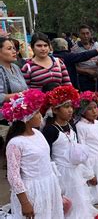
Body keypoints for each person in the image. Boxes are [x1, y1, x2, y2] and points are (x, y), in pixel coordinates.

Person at [41, 85, 98, 219]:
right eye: (66, 107)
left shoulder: (71, 125)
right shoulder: (50, 130)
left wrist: (88, 173)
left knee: (79, 196)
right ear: (55, 110)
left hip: (75, 170)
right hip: (61, 172)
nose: (70, 110)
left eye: (71, 106)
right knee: (66, 201)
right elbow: (47, 156)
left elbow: (78, 147)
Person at [4, 89, 64, 219]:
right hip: (31, 191)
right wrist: (25, 203)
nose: (40, 116)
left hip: (48, 185)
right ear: (26, 118)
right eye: (36, 113)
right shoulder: (15, 143)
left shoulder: (38, 134)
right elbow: (13, 176)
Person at [74, 91, 98, 205]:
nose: (94, 111)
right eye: (90, 109)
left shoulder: (97, 123)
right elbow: (82, 149)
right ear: (82, 111)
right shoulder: (80, 126)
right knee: (93, 187)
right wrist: (89, 173)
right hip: (92, 161)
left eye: (95, 107)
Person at [0, 37, 28, 138]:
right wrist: (19, 95)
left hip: (20, 116)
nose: (14, 51)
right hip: (5, 121)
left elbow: (25, 87)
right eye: (9, 48)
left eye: (14, 48)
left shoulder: (15, 67)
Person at [71, 25, 98, 94]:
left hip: (96, 78)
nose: (86, 36)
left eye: (87, 33)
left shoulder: (96, 45)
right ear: (79, 35)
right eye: (83, 34)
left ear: (90, 34)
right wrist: (87, 71)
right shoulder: (74, 49)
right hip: (83, 80)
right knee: (86, 102)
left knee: (97, 100)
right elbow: (73, 67)